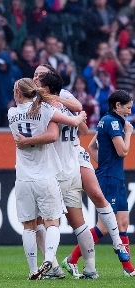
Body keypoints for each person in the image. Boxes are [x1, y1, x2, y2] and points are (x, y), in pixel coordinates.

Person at [32, 64, 130, 278]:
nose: (36, 77)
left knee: (50, 219)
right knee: (61, 221)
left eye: (41, 75)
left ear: (49, 82)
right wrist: (76, 120)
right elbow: (80, 125)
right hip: (60, 163)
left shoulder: (54, 101)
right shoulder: (40, 103)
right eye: (35, 75)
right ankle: (76, 267)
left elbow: (78, 126)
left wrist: (74, 119)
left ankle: (56, 266)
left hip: (64, 161)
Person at [16, 72, 98, 279]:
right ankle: (90, 268)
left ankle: (52, 267)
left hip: (53, 171)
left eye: (38, 81)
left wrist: (26, 141)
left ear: (45, 88)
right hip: (72, 168)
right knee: (78, 222)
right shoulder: (67, 106)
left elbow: (51, 135)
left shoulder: (46, 109)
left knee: (40, 222)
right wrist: (77, 116)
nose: (34, 83)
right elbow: (83, 129)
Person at [65, 90, 135, 277]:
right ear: (117, 106)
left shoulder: (107, 120)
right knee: (104, 226)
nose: (130, 110)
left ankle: (128, 269)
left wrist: (103, 164)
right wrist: (129, 133)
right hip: (109, 178)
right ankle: (72, 258)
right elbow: (122, 151)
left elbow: (92, 146)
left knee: (123, 222)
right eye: (128, 107)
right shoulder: (114, 123)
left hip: (115, 176)